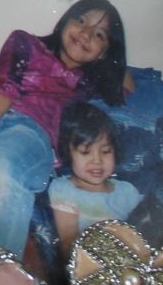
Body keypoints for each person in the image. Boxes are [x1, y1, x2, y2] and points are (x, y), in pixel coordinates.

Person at [0, 0, 128, 260]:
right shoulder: (25, 42)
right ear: (65, 20)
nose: (86, 33)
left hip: (32, 133)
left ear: (104, 52)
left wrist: (113, 62)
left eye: (99, 34)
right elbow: (3, 85)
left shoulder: (88, 84)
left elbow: (127, 82)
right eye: (81, 20)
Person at [48, 102, 142, 263]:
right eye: (86, 152)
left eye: (106, 151)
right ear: (68, 153)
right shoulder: (63, 190)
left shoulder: (127, 192)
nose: (97, 160)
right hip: (86, 266)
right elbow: (68, 243)